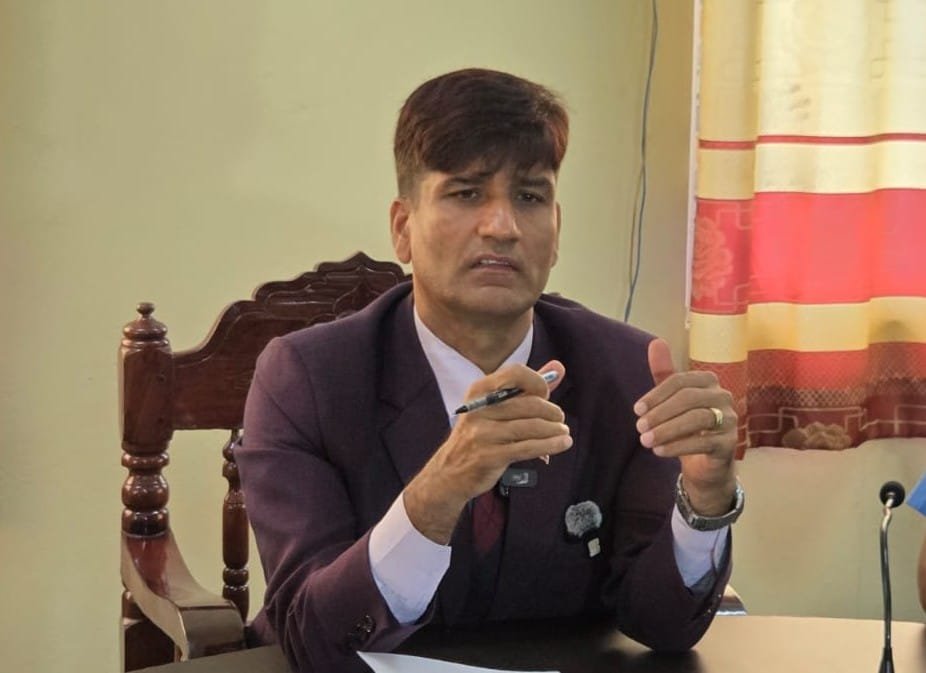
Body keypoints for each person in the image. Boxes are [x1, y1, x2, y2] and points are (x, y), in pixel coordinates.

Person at [238, 68, 743, 673]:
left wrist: (706, 499)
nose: (502, 227)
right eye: (466, 193)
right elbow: (312, 636)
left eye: (529, 197)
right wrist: (441, 488)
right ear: (403, 228)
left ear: (556, 231)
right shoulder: (307, 379)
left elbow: (661, 625)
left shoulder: (627, 371)